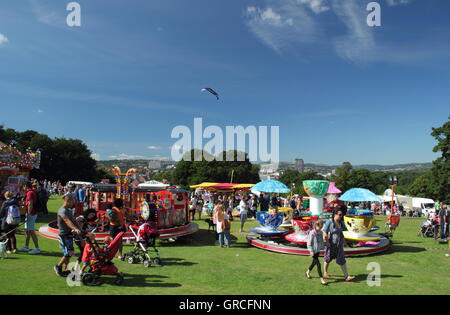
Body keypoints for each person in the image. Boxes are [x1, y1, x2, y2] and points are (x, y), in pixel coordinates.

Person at [323, 208, 355, 281]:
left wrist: (345, 241)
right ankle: (325, 272)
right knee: (328, 258)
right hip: (331, 244)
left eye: (342, 215)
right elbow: (325, 232)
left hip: (339, 244)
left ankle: (346, 276)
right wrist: (327, 242)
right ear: (335, 214)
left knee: (341, 259)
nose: (341, 216)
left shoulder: (341, 222)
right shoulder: (329, 222)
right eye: (339, 215)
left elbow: (344, 231)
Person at [54, 194, 81, 277]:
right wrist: (75, 229)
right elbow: (67, 221)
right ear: (68, 201)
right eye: (72, 201)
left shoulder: (68, 210)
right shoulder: (62, 210)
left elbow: (73, 220)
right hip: (63, 235)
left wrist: (80, 229)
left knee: (70, 252)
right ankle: (58, 266)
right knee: (68, 252)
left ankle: (66, 270)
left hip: (68, 235)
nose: (73, 203)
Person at [17, 182, 41, 254]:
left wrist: (29, 214)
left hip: (31, 214)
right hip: (30, 213)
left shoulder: (30, 193)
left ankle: (37, 248)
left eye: (23, 186)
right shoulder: (30, 192)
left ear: (25, 186)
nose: (23, 188)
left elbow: (30, 203)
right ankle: (26, 246)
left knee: (31, 231)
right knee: (27, 230)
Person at [306, 220, 328, 286]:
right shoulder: (312, 233)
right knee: (318, 264)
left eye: (321, 227)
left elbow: (321, 241)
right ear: (316, 226)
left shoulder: (321, 232)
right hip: (313, 251)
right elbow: (309, 243)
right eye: (320, 227)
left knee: (313, 263)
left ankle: (307, 272)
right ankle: (322, 279)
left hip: (317, 251)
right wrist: (311, 251)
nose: (321, 228)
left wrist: (325, 244)